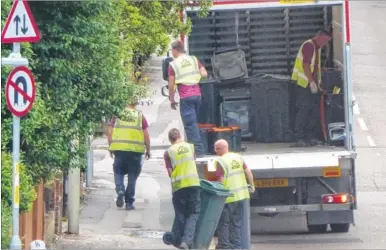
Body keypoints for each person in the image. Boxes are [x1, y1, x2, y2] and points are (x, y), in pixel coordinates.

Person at [106, 101, 151, 210]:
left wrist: (111, 146)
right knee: (132, 176)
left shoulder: (117, 114)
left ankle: (120, 189)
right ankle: (129, 202)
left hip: (119, 150)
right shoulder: (140, 116)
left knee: (118, 171)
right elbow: (146, 135)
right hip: (135, 152)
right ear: (135, 104)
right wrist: (148, 150)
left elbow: (110, 132)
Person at [291, 29, 332, 147]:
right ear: (321, 37)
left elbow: (315, 67)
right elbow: (305, 65)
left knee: (311, 112)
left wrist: (317, 84)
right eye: (326, 41)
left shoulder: (316, 48)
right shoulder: (309, 46)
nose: (326, 44)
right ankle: (299, 137)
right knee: (304, 111)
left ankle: (309, 137)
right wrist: (312, 82)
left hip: (310, 85)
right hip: (303, 85)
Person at [168, 40, 208, 157]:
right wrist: (194, 78)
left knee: (190, 126)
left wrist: (171, 98)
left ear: (175, 50)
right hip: (197, 95)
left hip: (186, 97)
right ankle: (198, 148)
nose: (172, 53)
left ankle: (198, 153)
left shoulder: (173, 64)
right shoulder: (193, 59)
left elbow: (171, 85)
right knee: (195, 123)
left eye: (172, 51)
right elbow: (204, 73)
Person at [213, 139, 255, 249]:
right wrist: (252, 186)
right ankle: (237, 247)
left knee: (224, 223)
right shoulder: (238, 157)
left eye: (217, 149)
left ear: (222, 148)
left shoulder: (220, 161)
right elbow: (248, 172)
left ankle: (225, 246)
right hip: (241, 196)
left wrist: (219, 195)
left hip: (228, 198)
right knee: (236, 223)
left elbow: (220, 181)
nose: (215, 151)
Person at [163, 128, 201, 249]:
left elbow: (170, 172)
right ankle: (186, 241)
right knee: (193, 213)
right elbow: (193, 161)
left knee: (180, 214)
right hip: (193, 183)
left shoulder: (168, 152)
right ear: (180, 136)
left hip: (179, 186)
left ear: (170, 139)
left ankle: (180, 242)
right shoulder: (191, 147)